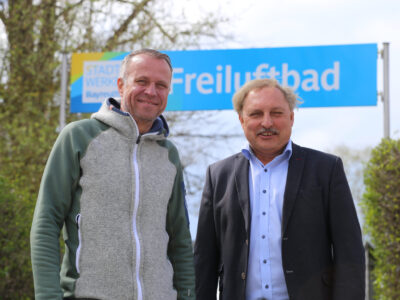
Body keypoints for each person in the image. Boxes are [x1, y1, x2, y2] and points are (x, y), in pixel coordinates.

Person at [31, 49, 195, 300]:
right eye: (141, 81)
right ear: (121, 85)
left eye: (161, 85)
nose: (151, 91)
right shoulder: (78, 137)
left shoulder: (168, 154)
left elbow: (180, 240)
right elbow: (46, 222)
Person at [194, 78, 365, 300]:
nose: (267, 122)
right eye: (256, 114)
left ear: (292, 117)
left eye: (276, 113)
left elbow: (349, 253)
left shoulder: (326, 170)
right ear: (241, 119)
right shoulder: (218, 176)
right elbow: (204, 261)